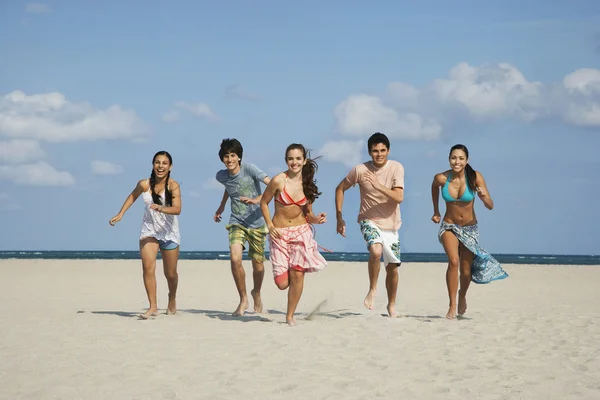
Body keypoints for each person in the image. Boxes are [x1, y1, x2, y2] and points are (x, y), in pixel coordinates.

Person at [431, 144, 508, 320]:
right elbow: (434, 187)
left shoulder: (474, 177)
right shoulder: (442, 178)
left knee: (466, 272)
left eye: (460, 158)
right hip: (449, 226)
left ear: (467, 160)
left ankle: (462, 295)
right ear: (449, 158)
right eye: (453, 158)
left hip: (469, 228)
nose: (456, 161)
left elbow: (490, 206)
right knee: (453, 261)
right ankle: (451, 305)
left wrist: (483, 196)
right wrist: (436, 210)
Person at [335, 132, 404, 318]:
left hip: (391, 225)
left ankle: (391, 304)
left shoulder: (396, 168)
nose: (379, 154)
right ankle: (373, 289)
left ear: (388, 151)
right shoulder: (360, 170)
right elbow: (340, 188)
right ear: (369, 152)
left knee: (393, 268)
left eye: (382, 150)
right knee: (375, 251)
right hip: (368, 219)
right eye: (375, 151)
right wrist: (339, 217)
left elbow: (399, 197)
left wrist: (378, 186)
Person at [260, 143, 327, 327]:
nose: (294, 162)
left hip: (301, 233)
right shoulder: (278, 181)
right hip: (279, 234)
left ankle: (290, 315)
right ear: (286, 161)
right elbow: (264, 203)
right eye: (291, 158)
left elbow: (308, 214)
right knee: (282, 284)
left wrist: (316, 219)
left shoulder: (307, 185)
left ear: (304, 161)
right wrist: (270, 225)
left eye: (298, 158)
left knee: (298, 275)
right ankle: (290, 277)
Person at [109, 151, 181, 319]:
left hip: (169, 232)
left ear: (170, 167)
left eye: (164, 163)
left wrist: (162, 208)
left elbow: (178, 209)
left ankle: (172, 296)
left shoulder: (173, 186)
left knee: (170, 274)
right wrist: (121, 214)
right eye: (157, 162)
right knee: (148, 267)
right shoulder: (144, 184)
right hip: (149, 230)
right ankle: (153, 306)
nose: (160, 166)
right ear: (153, 164)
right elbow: (132, 196)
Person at [214, 138, 271, 317]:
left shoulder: (250, 169)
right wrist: (221, 206)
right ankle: (243, 298)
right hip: (237, 221)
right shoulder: (221, 176)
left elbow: (273, 187)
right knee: (235, 258)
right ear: (222, 158)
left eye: (233, 155)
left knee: (258, 266)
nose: (229, 159)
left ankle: (257, 292)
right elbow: (230, 187)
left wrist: (255, 200)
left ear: (239, 157)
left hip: (257, 222)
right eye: (226, 156)